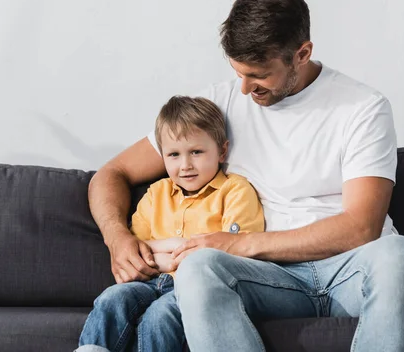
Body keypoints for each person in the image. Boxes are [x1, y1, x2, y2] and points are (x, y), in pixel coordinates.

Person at [87, 0, 404, 352]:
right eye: (238, 73)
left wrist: (241, 243)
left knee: (402, 255)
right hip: (268, 279)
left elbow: (361, 227)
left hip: (350, 270)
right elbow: (112, 173)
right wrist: (116, 237)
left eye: (259, 75)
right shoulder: (219, 105)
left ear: (302, 54)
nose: (246, 88)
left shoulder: (363, 107)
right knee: (199, 269)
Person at [77, 96, 265, 352]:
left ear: (222, 151)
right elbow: (138, 248)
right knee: (111, 299)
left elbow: (234, 252)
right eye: (174, 155)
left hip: (193, 290)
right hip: (149, 281)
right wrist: (177, 245)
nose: (185, 165)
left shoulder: (235, 191)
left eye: (196, 152)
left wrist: (163, 253)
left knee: (160, 317)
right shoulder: (156, 193)